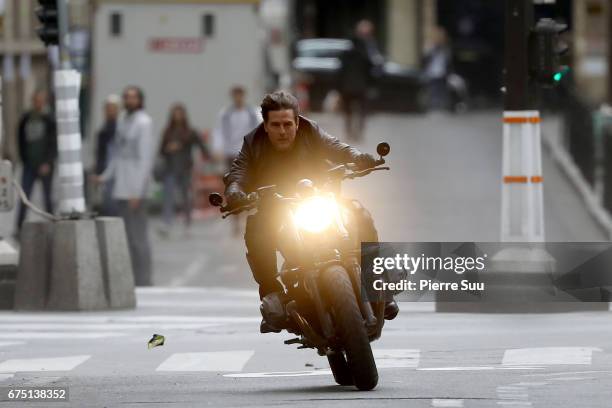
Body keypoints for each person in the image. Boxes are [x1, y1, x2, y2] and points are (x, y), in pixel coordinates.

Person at [224, 91, 398, 333]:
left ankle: (376, 282)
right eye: (275, 125)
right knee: (255, 229)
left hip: (319, 199)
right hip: (277, 210)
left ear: (297, 122)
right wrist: (234, 190)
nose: (282, 131)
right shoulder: (253, 143)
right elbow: (238, 172)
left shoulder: (311, 131)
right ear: (265, 125)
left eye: (287, 124)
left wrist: (359, 158)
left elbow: (336, 147)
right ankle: (272, 294)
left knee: (359, 212)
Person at [98, 86, 155, 286]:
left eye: (133, 97)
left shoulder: (144, 123)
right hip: (121, 188)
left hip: (135, 190)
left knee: (138, 237)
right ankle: (130, 278)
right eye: (127, 97)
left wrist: (137, 192)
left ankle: (144, 279)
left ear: (140, 100)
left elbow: (146, 159)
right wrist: (105, 176)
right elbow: (117, 154)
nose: (129, 100)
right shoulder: (122, 120)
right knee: (126, 237)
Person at [212, 86, 261, 235]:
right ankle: (235, 221)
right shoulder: (225, 114)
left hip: (247, 154)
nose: (238, 98)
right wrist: (218, 148)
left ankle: (249, 218)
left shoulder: (253, 113)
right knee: (233, 187)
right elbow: (219, 132)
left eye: (240, 95)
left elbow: (259, 132)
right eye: (235, 96)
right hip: (231, 154)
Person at [158, 103, 210, 235]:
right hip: (170, 168)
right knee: (168, 197)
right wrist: (168, 148)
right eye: (175, 113)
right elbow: (161, 151)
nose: (178, 116)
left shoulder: (190, 132)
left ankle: (187, 224)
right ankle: (167, 223)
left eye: (180, 113)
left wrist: (208, 155)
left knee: (186, 198)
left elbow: (201, 146)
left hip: (185, 168)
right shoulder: (167, 132)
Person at [16, 89, 57, 233]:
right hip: (29, 165)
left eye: (41, 100)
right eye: (36, 100)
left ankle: (53, 224)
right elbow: (20, 140)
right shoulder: (26, 118)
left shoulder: (49, 119)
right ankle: (19, 227)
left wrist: (48, 162)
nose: (38, 103)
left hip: (45, 165)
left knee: (48, 197)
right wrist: (23, 158)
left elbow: (53, 143)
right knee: (24, 196)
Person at [338, 19, 383, 141]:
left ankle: (350, 132)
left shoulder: (346, 52)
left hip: (348, 87)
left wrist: (340, 86)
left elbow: (340, 71)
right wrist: (371, 84)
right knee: (361, 112)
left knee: (349, 112)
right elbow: (371, 69)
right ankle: (357, 133)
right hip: (360, 86)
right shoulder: (365, 53)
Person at [95, 95, 120, 216]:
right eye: (107, 108)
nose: (109, 111)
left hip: (116, 171)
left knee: (113, 201)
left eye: (112, 108)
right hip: (105, 168)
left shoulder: (120, 128)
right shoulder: (104, 128)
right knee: (107, 200)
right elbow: (100, 152)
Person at [422, 26, 452, 111]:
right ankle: (432, 107)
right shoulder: (431, 47)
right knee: (432, 91)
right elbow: (425, 57)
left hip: (442, 73)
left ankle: (441, 107)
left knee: (441, 91)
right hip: (432, 73)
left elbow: (448, 61)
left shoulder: (446, 48)